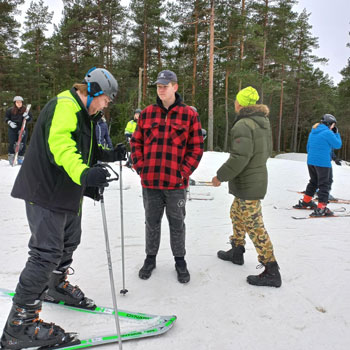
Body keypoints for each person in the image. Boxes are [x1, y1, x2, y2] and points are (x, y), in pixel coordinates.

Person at [0, 67, 127, 350]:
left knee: (70, 240)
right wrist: (84, 174)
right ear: (93, 91)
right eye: (106, 98)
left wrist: (109, 155)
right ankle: (19, 325)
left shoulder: (88, 115)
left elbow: (85, 148)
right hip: (45, 191)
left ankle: (55, 286)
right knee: (45, 254)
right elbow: (61, 146)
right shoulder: (65, 105)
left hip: (66, 192)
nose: (107, 104)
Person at [130, 70, 204, 283]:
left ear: (175, 87)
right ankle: (150, 258)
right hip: (151, 182)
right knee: (151, 222)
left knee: (177, 223)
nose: (161, 89)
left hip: (176, 184)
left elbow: (196, 148)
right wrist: (141, 167)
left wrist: (183, 172)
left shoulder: (189, 114)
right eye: (159, 86)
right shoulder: (147, 113)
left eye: (165, 85)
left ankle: (180, 260)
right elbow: (136, 142)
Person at [212, 86, 281, 288]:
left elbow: (240, 158)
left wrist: (220, 176)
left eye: (236, 100)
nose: (234, 103)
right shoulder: (262, 121)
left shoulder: (243, 124)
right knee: (236, 213)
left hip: (249, 182)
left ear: (240, 104)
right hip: (253, 178)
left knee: (254, 225)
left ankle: (271, 269)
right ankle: (237, 250)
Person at [293, 114, 342, 216]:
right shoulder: (328, 133)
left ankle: (306, 201)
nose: (333, 126)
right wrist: (336, 133)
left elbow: (308, 147)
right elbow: (337, 144)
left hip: (311, 161)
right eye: (333, 124)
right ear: (330, 124)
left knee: (314, 181)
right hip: (322, 162)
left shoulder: (313, 131)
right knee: (325, 184)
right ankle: (321, 208)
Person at [4, 96, 33, 165]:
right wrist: (9, 122)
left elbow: (31, 119)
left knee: (22, 144)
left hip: (23, 129)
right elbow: (6, 118)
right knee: (12, 143)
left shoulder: (26, 110)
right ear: (15, 103)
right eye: (17, 102)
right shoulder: (10, 110)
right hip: (12, 129)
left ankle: (20, 158)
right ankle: (11, 157)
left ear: (22, 102)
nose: (19, 103)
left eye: (20, 102)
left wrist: (27, 117)